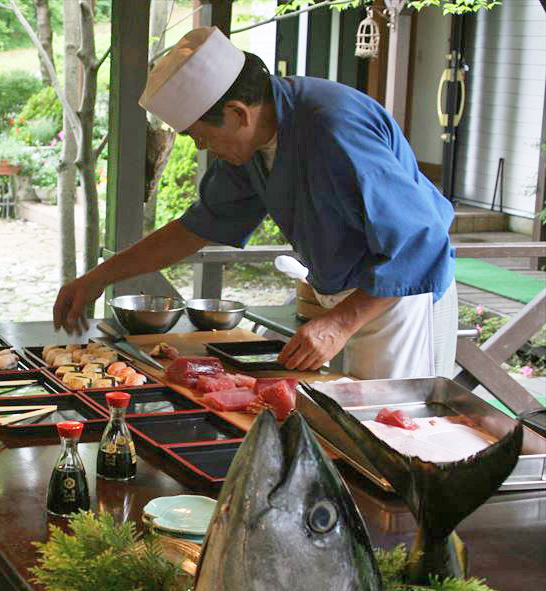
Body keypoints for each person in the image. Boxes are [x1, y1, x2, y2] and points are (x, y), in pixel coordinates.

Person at [52, 26, 458, 380]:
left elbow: (422, 240)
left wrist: (338, 324)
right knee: (343, 433)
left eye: (199, 136)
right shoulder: (251, 148)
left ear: (237, 113)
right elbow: (195, 229)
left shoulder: (334, 127)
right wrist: (98, 277)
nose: (203, 147)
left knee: (386, 438)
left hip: (396, 296)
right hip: (339, 302)